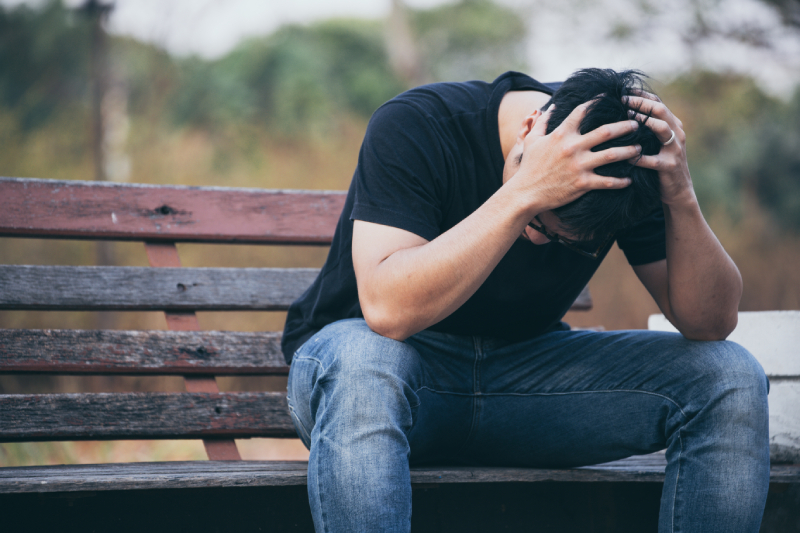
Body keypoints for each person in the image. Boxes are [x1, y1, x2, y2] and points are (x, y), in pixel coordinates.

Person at [282, 69, 770, 533]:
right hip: (383, 380)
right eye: (539, 225)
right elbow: (389, 312)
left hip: (525, 384)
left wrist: (680, 195)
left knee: (728, 376)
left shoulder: (616, 164)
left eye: (566, 241)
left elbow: (710, 322)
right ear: (530, 127)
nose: (538, 240)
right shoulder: (419, 124)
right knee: (366, 362)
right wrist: (525, 196)